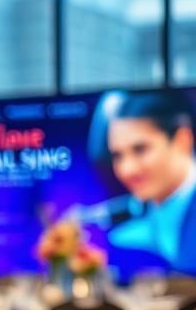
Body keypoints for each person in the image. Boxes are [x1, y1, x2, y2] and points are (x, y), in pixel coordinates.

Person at [79, 89, 196, 272]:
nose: (127, 170)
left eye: (140, 149)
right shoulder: (125, 227)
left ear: (182, 140)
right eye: (117, 155)